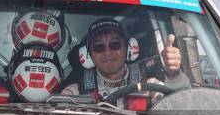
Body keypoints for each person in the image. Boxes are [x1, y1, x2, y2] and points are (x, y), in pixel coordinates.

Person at [60, 18, 189, 109]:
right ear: (89, 55)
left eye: (115, 44)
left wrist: (174, 76)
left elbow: (181, 108)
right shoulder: (75, 92)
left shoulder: (149, 86)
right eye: (99, 47)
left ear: (128, 48)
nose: (108, 52)